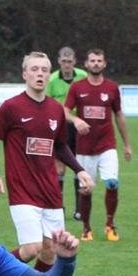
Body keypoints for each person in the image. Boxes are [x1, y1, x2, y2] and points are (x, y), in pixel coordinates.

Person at [0, 51, 94, 276]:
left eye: (44, 69)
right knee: (32, 247)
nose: (40, 74)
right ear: (25, 74)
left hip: (51, 194)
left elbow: (60, 147)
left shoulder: (56, 110)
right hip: (22, 192)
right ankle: (1, 275)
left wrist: (79, 170)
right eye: (34, 69)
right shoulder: (11, 107)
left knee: (51, 251)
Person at [64, 49, 133, 242]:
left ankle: (110, 225)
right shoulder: (77, 88)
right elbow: (65, 111)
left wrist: (127, 144)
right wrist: (76, 120)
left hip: (107, 146)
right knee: (86, 189)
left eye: (99, 61)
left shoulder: (112, 88)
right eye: (92, 61)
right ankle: (86, 229)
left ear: (104, 64)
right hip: (84, 148)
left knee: (112, 183)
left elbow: (119, 115)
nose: (95, 64)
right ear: (86, 64)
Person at [45, 46, 88, 220]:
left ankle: (79, 210)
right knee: (59, 168)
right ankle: (58, 206)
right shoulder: (52, 79)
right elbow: (47, 103)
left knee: (78, 166)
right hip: (59, 126)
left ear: (75, 62)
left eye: (70, 62)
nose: (67, 65)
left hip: (79, 127)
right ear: (59, 62)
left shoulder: (83, 76)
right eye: (64, 61)